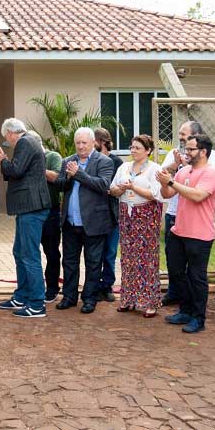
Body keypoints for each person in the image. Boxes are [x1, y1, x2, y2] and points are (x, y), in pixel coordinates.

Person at [157, 134, 215, 333]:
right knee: (177, 272)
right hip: (179, 231)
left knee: (196, 277)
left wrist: (171, 182)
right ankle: (184, 311)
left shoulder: (212, 173)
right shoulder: (184, 170)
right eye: (186, 148)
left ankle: (198, 318)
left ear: (203, 152)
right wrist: (163, 181)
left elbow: (198, 196)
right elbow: (167, 194)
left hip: (200, 235)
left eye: (191, 149)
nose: (187, 152)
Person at [0, 118, 51, 318]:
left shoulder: (25, 142)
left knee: (29, 255)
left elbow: (16, 170)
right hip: (28, 207)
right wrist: (6, 162)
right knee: (20, 251)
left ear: (10, 132)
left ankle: (36, 303)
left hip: (31, 207)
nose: (7, 141)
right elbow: (18, 170)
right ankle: (22, 295)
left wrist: (2, 161)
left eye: (6, 137)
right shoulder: (31, 142)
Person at [53, 127, 114, 314]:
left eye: (84, 143)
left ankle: (89, 298)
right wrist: (70, 177)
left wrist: (79, 173)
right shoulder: (68, 161)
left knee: (93, 262)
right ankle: (69, 297)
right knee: (69, 262)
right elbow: (60, 185)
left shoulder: (104, 161)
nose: (80, 147)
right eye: (77, 143)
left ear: (93, 142)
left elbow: (103, 185)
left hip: (94, 222)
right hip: (71, 222)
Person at [108, 135, 163, 317]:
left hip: (146, 217)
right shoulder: (124, 167)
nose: (133, 150)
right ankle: (128, 298)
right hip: (127, 216)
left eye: (137, 148)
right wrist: (122, 189)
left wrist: (133, 187)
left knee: (146, 258)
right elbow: (113, 189)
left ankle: (150, 301)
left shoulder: (155, 169)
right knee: (128, 256)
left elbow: (155, 194)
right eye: (132, 147)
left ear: (148, 150)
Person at [29, 130, 63, 304]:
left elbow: (57, 177)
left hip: (50, 212)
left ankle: (52, 287)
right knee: (29, 252)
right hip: (30, 212)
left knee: (51, 252)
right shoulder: (26, 159)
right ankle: (33, 287)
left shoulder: (52, 156)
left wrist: (38, 167)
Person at [94, 127, 124, 303]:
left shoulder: (116, 162)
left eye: (94, 141)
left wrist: (109, 189)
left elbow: (115, 187)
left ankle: (107, 286)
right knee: (94, 253)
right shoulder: (91, 160)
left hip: (112, 214)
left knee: (110, 252)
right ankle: (94, 285)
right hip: (94, 214)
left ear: (102, 142)